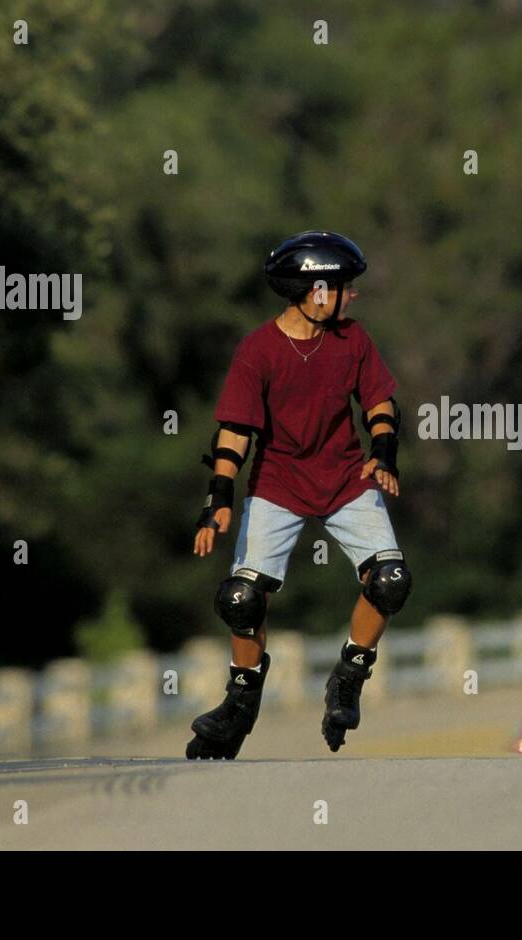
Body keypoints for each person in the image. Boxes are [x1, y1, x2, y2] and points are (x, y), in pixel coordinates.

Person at [186, 231, 410, 758]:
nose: (351, 296)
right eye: (343, 287)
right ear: (315, 291)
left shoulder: (353, 340)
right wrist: (217, 499)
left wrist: (383, 453)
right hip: (278, 485)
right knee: (241, 598)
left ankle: (349, 676)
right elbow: (234, 430)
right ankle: (240, 703)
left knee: (391, 581)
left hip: (346, 480)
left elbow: (380, 404)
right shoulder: (259, 350)